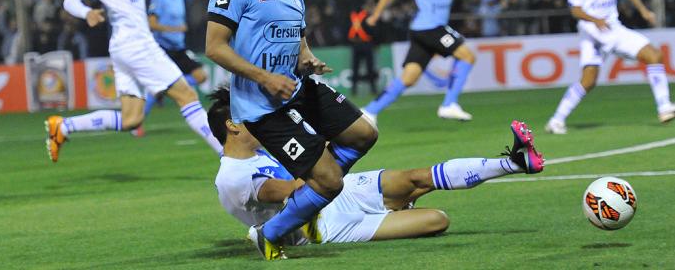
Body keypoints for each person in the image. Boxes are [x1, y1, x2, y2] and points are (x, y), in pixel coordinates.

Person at [204, 0, 378, 260]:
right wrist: (265, 77)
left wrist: (307, 58)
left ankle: (306, 202)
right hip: (262, 107)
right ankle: (271, 233)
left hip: (298, 88)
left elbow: (299, 42)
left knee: (365, 134)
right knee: (331, 181)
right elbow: (214, 47)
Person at [208, 87, 543, 256]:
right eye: (249, 115)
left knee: (415, 177)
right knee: (437, 219)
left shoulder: (263, 150)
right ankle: (401, 206)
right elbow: (294, 192)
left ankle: (514, 162)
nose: (259, 118)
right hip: (326, 226)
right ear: (232, 126)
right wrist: (322, 148)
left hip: (342, 190)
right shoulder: (233, 177)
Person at [45, 0, 223, 163]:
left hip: (122, 47)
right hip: (136, 44)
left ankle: (62, 126)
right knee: (188, 96)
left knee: (131, 119)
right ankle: (229, 156)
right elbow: (70, 0)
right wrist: (87, 13)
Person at [363, 0, 498, 123]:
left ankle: (370, 111)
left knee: (409, 77)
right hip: (429, 27)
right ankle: (449, 104)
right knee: (468, 56)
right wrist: (375, 15)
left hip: (425, 30)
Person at [545, 0, 675, 134]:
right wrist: (596, 20)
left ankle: (664, 107)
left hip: (613, 28)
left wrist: (643, 10)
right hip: (593, 33)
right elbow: (575, 10)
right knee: (589, 81)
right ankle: (556, 120)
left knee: (654, 55)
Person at [144, 0, 207, 117]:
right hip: (163, 48)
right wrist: (175, 29)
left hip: (179, 48)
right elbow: (151, 24)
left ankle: (166, 88)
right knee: (158, 85)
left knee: (201, 76)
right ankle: (136, 126)